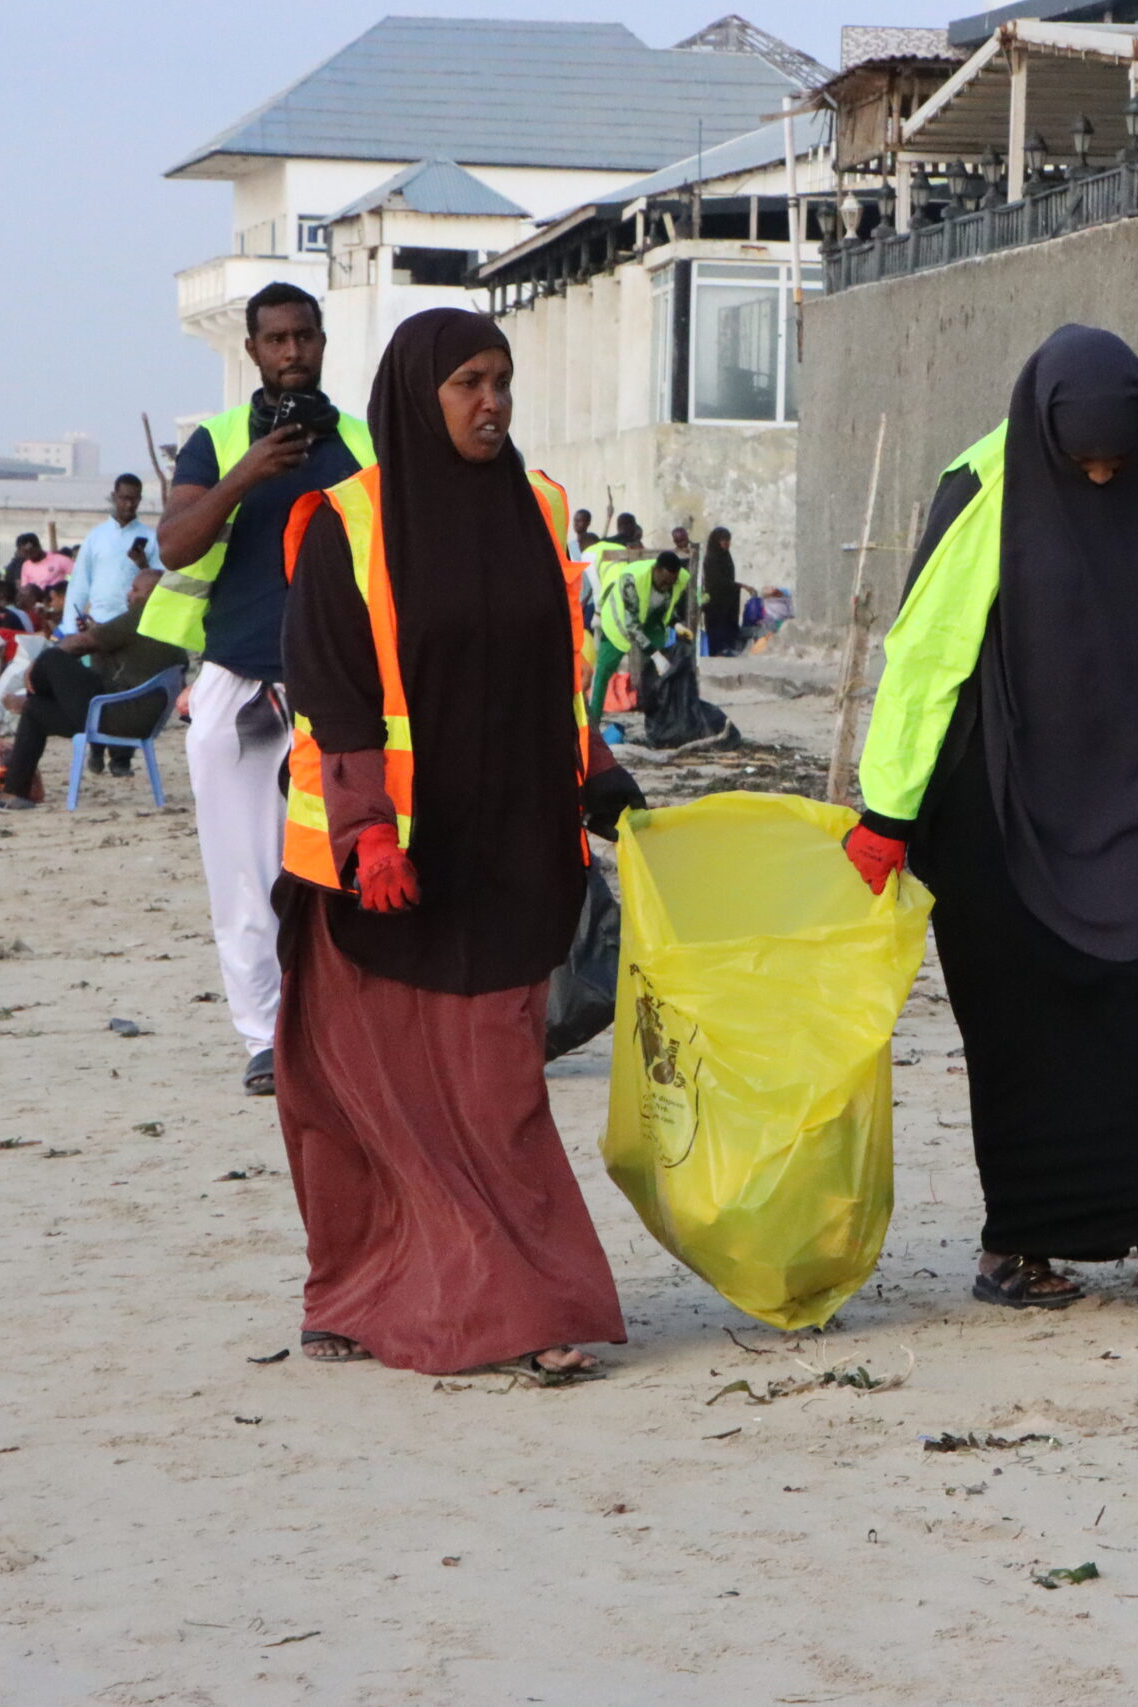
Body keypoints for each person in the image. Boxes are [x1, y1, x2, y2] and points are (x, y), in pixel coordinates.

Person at [846, 324, 1138, 1315]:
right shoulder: (982, 482)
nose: (1102, 478)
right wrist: (885, 809)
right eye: (1081, 462)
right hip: (1002, 801)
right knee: (1029, 1032)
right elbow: (924, 656)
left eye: (1116, 460)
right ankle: (1018, 1245)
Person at [274, 306, 641, 1375]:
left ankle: (530, 1311)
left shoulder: (537, 510)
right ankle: (351, 1293)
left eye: (503, 381)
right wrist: (365, 837)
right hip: (378, 872)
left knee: (496, 1095)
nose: (492, 404)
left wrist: (602, 779)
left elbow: (557, 679)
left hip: (512, 851)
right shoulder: (345, 521)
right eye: (468, 383)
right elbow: (333, 695)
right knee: (354, 1099)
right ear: (415, 396)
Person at [149, 279, 375, 1097]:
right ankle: (264, 1038)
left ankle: (344, 1028)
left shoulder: (359, 440)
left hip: (341, 687)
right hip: (238, 682)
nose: (291, 353)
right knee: (243, 872)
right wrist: (248, 471)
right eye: (275, 340)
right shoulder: (213, 442)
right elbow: (174, 545)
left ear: (321, 342)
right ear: (251, 350)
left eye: (303, 337)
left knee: (347, 864)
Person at [0, 564, 186, 805]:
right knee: (36, 711)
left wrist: (34, 670)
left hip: (115, 715)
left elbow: (81, 643)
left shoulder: (144, 614)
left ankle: (30, 696)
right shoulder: (171, 621)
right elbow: (116, 654)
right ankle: (15, 793)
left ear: (153, 595)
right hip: (138, 719)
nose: (129, 594)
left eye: (135, 590)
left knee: (53, 657)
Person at [587, 546, 690, 729]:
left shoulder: (679, 579)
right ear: (656, 570)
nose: (667, 586)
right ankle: (593, 723)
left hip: (651, 623)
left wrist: (676, 624)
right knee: (603, 671)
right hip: (618, 624)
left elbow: (667, 606)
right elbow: (632, 625)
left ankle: (658, 721)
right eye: (664, 581)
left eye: (671, 583)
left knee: (657, 674)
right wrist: (655, 655)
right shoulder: (632, 579)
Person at [65, 476, 159, 634]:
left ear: (140, 499)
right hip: (97, 622)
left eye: (134, 500)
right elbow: (79, 584)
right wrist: (70, 628)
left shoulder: (151, 538)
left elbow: (159, 585)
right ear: (114, 496)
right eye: (124, 498)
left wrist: (143, 565)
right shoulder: (95, 536)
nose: (129, 505)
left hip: (134, 626)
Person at [702, 525, 743, 656]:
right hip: (716, 599)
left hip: (728, 598)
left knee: (728, 623)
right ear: (716, 541)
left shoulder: (726, 556)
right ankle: (717, 650)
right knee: (717, 625)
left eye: (728, 540)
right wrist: (740, 585)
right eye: (723, 540)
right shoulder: (711, 558)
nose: (726, 543)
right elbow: (717, 580)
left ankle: (728, 647)